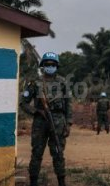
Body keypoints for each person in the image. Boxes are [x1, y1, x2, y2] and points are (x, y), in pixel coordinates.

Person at [20, 52, 72, 186]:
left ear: (57, 66)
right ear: (43, 66)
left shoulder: (62, 83)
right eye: (47, 64)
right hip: (40, 122)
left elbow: (68, 104)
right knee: (37, 153)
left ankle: (61, 181)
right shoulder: (35, 83)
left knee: (58, 153)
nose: (50, 66)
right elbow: (23, 102)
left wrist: (68, 123)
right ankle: (33, 182)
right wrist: (36, 111)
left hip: (59, 121)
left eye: (53, 64)